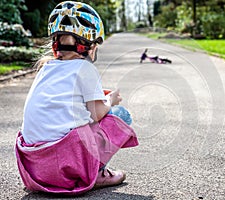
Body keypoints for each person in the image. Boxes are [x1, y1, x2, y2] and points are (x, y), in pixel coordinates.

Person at [15, 1, 138, 195]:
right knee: (120, 114)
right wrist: (111, 100)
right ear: (88, 45)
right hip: (63, 167)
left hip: (35, 169)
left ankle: (74, 173)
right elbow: (96, 114)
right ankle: (94, 174)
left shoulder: (45, 68)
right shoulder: (85, 68)